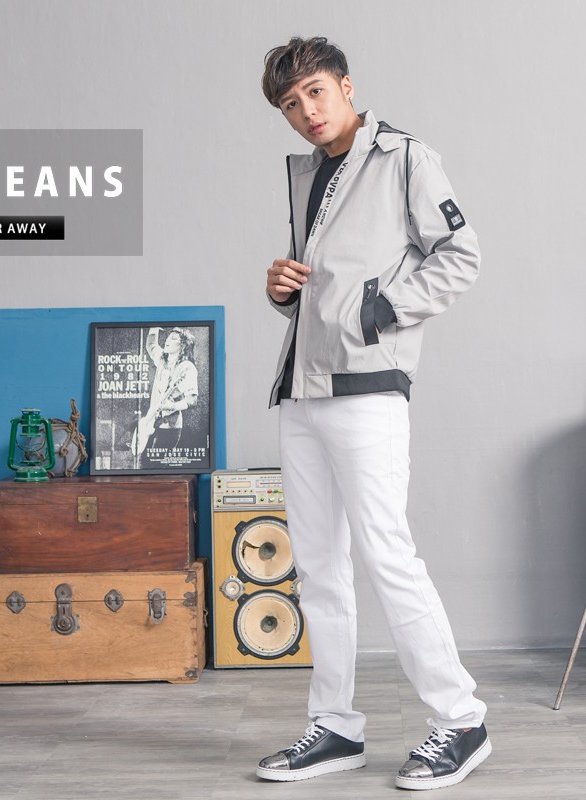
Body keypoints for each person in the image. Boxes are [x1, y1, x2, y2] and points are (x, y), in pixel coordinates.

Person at [257, 37, 490, 791]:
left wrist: (381, 310)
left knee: (387, 556)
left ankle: (461, 720)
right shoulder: (309, 173)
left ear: (347, 86)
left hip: (366, 385)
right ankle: (335, 727)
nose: (306, 111)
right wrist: (284, 291)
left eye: (315, 92)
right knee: (318, 568)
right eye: (291, 104)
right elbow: (330, 281)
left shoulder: (404, 158)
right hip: (303, 389)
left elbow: (460, 254)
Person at [133, 327, 198, 465]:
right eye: (168, 336)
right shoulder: (162, 359)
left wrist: (172, 405)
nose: (167, 340)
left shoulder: (187, 367)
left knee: (156, 466)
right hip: (151, 420)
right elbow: (151, 345)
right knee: (142, 464)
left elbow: (192, 399)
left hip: (169, 425)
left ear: (182, 346)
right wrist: (153, 328)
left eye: (173, 339)